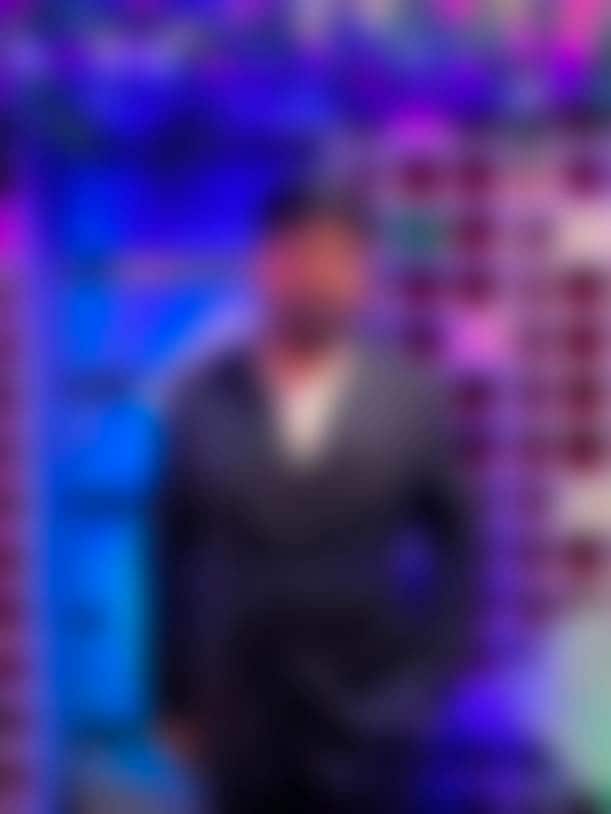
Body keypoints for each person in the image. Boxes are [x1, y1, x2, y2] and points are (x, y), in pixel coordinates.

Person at [156, 183, 472, 813]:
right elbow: (170, 555)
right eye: (299, 255)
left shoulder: (411, 399)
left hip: (371, 721)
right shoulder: (201, 399)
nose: (316, 277)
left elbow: (461, 545)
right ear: (264, 265)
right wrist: (173, 695)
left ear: (362, 274)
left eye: (336, 257)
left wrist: (427, 682)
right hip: (239, 722)